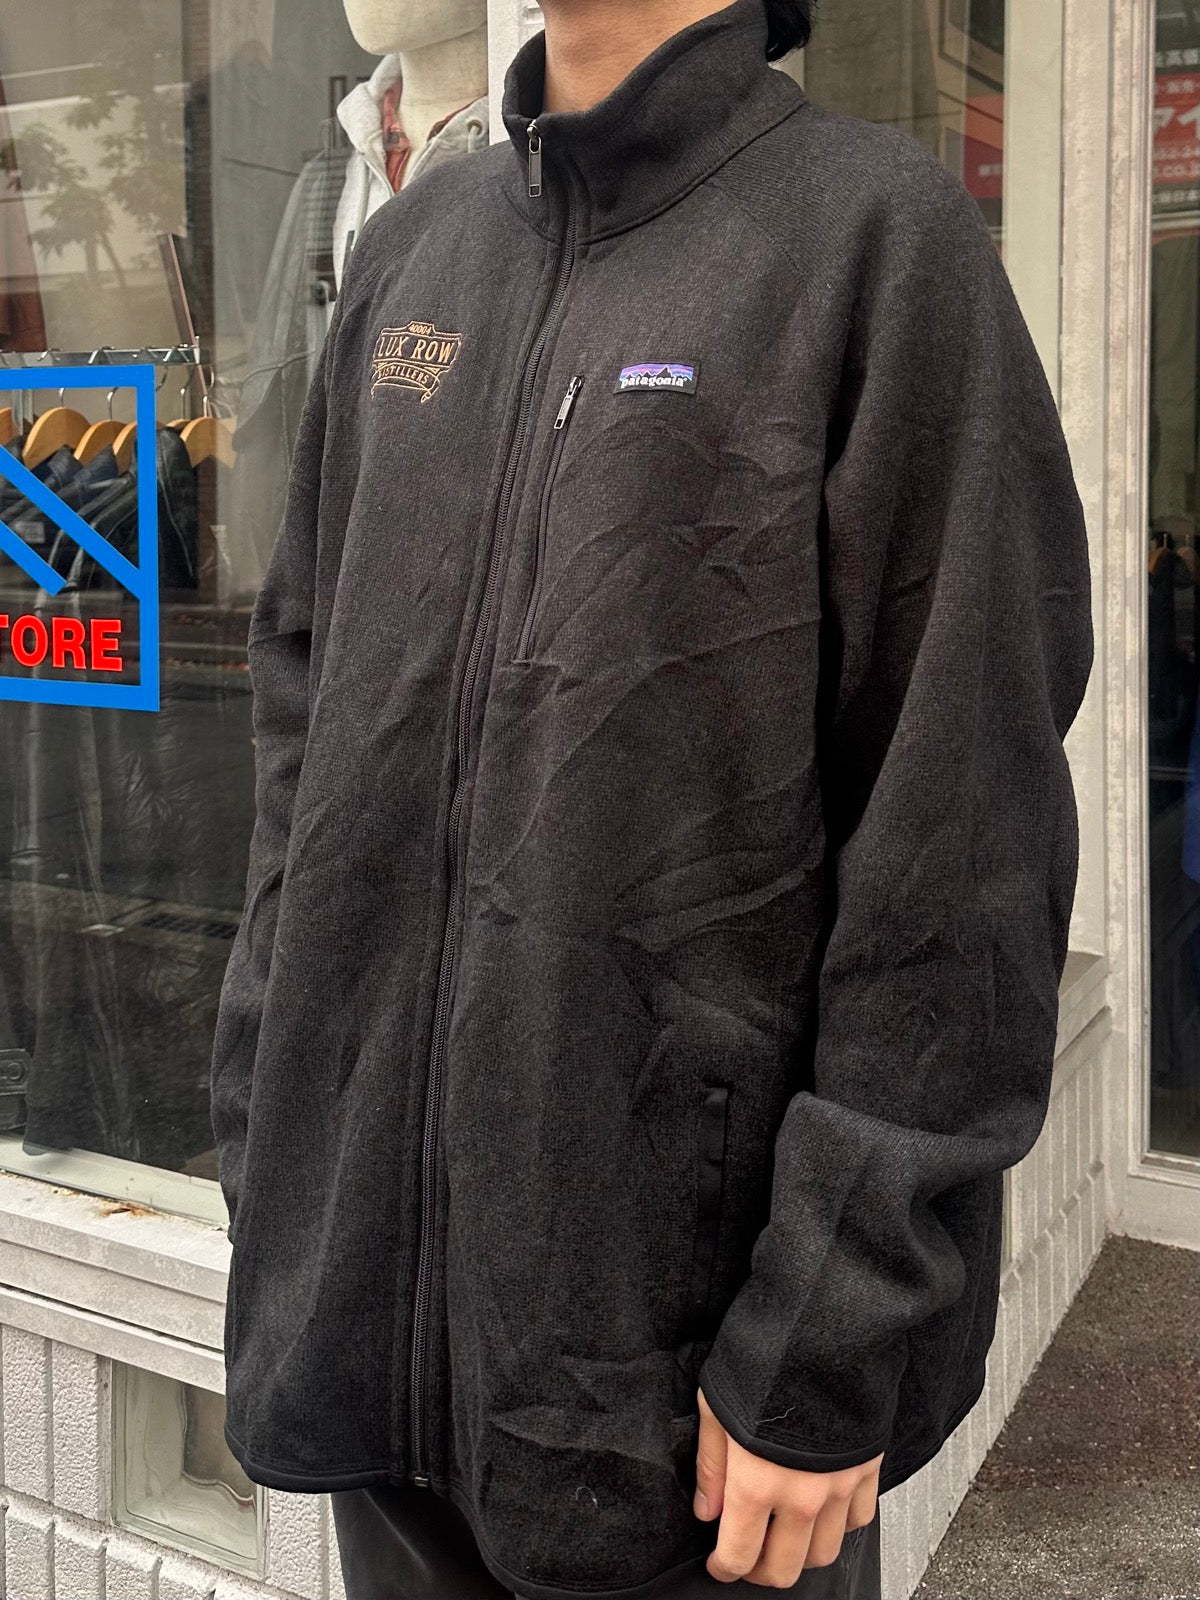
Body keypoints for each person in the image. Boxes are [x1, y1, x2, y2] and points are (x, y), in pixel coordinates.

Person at [208, 0, 1095, 1595]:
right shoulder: (417, 253)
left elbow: (961, 833)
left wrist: (829, 1334)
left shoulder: (870, 244)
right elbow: (303, 726)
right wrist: (272, 1149)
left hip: (688, 1408)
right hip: (376, 1362)